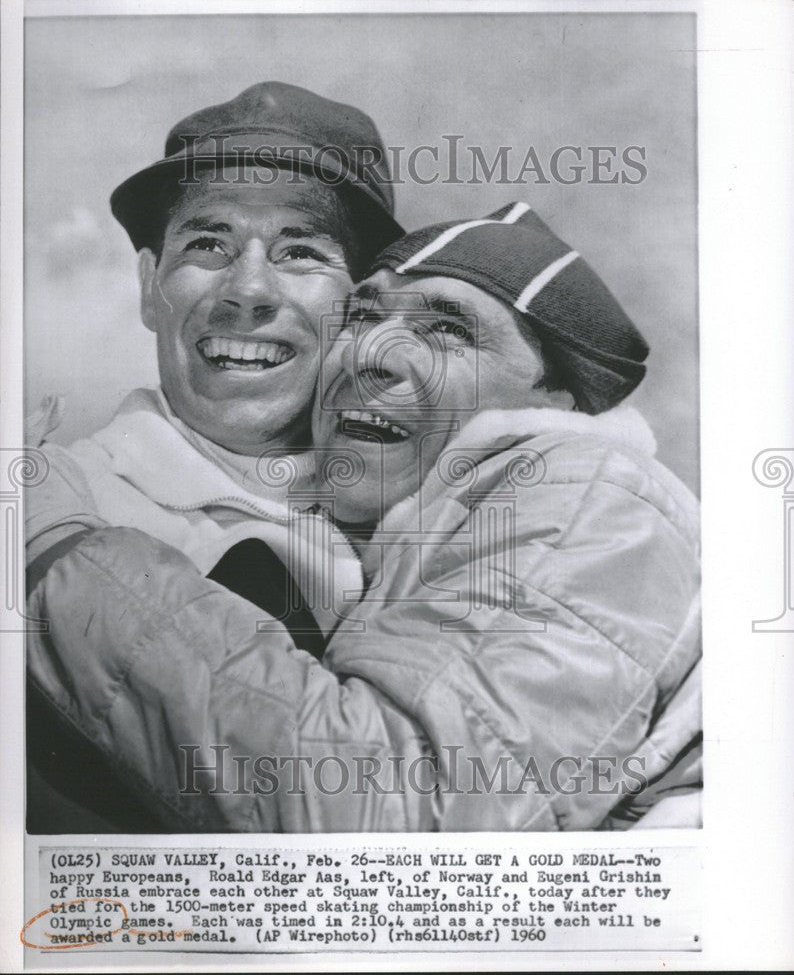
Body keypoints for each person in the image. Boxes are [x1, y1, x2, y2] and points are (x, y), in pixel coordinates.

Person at [27, 204, 701, 832]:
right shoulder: (433, 529)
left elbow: (388, 815)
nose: (370, 354)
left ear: (558, 398)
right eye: (363, 315)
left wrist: (59, 551)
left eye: (448, 329)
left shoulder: (585, 484)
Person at [25, 80, 402, 831]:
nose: (248, 289)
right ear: (148, 288)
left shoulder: (439, 532)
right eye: (208, 244)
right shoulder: (43, 518)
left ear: (365, 307)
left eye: (301, 249)